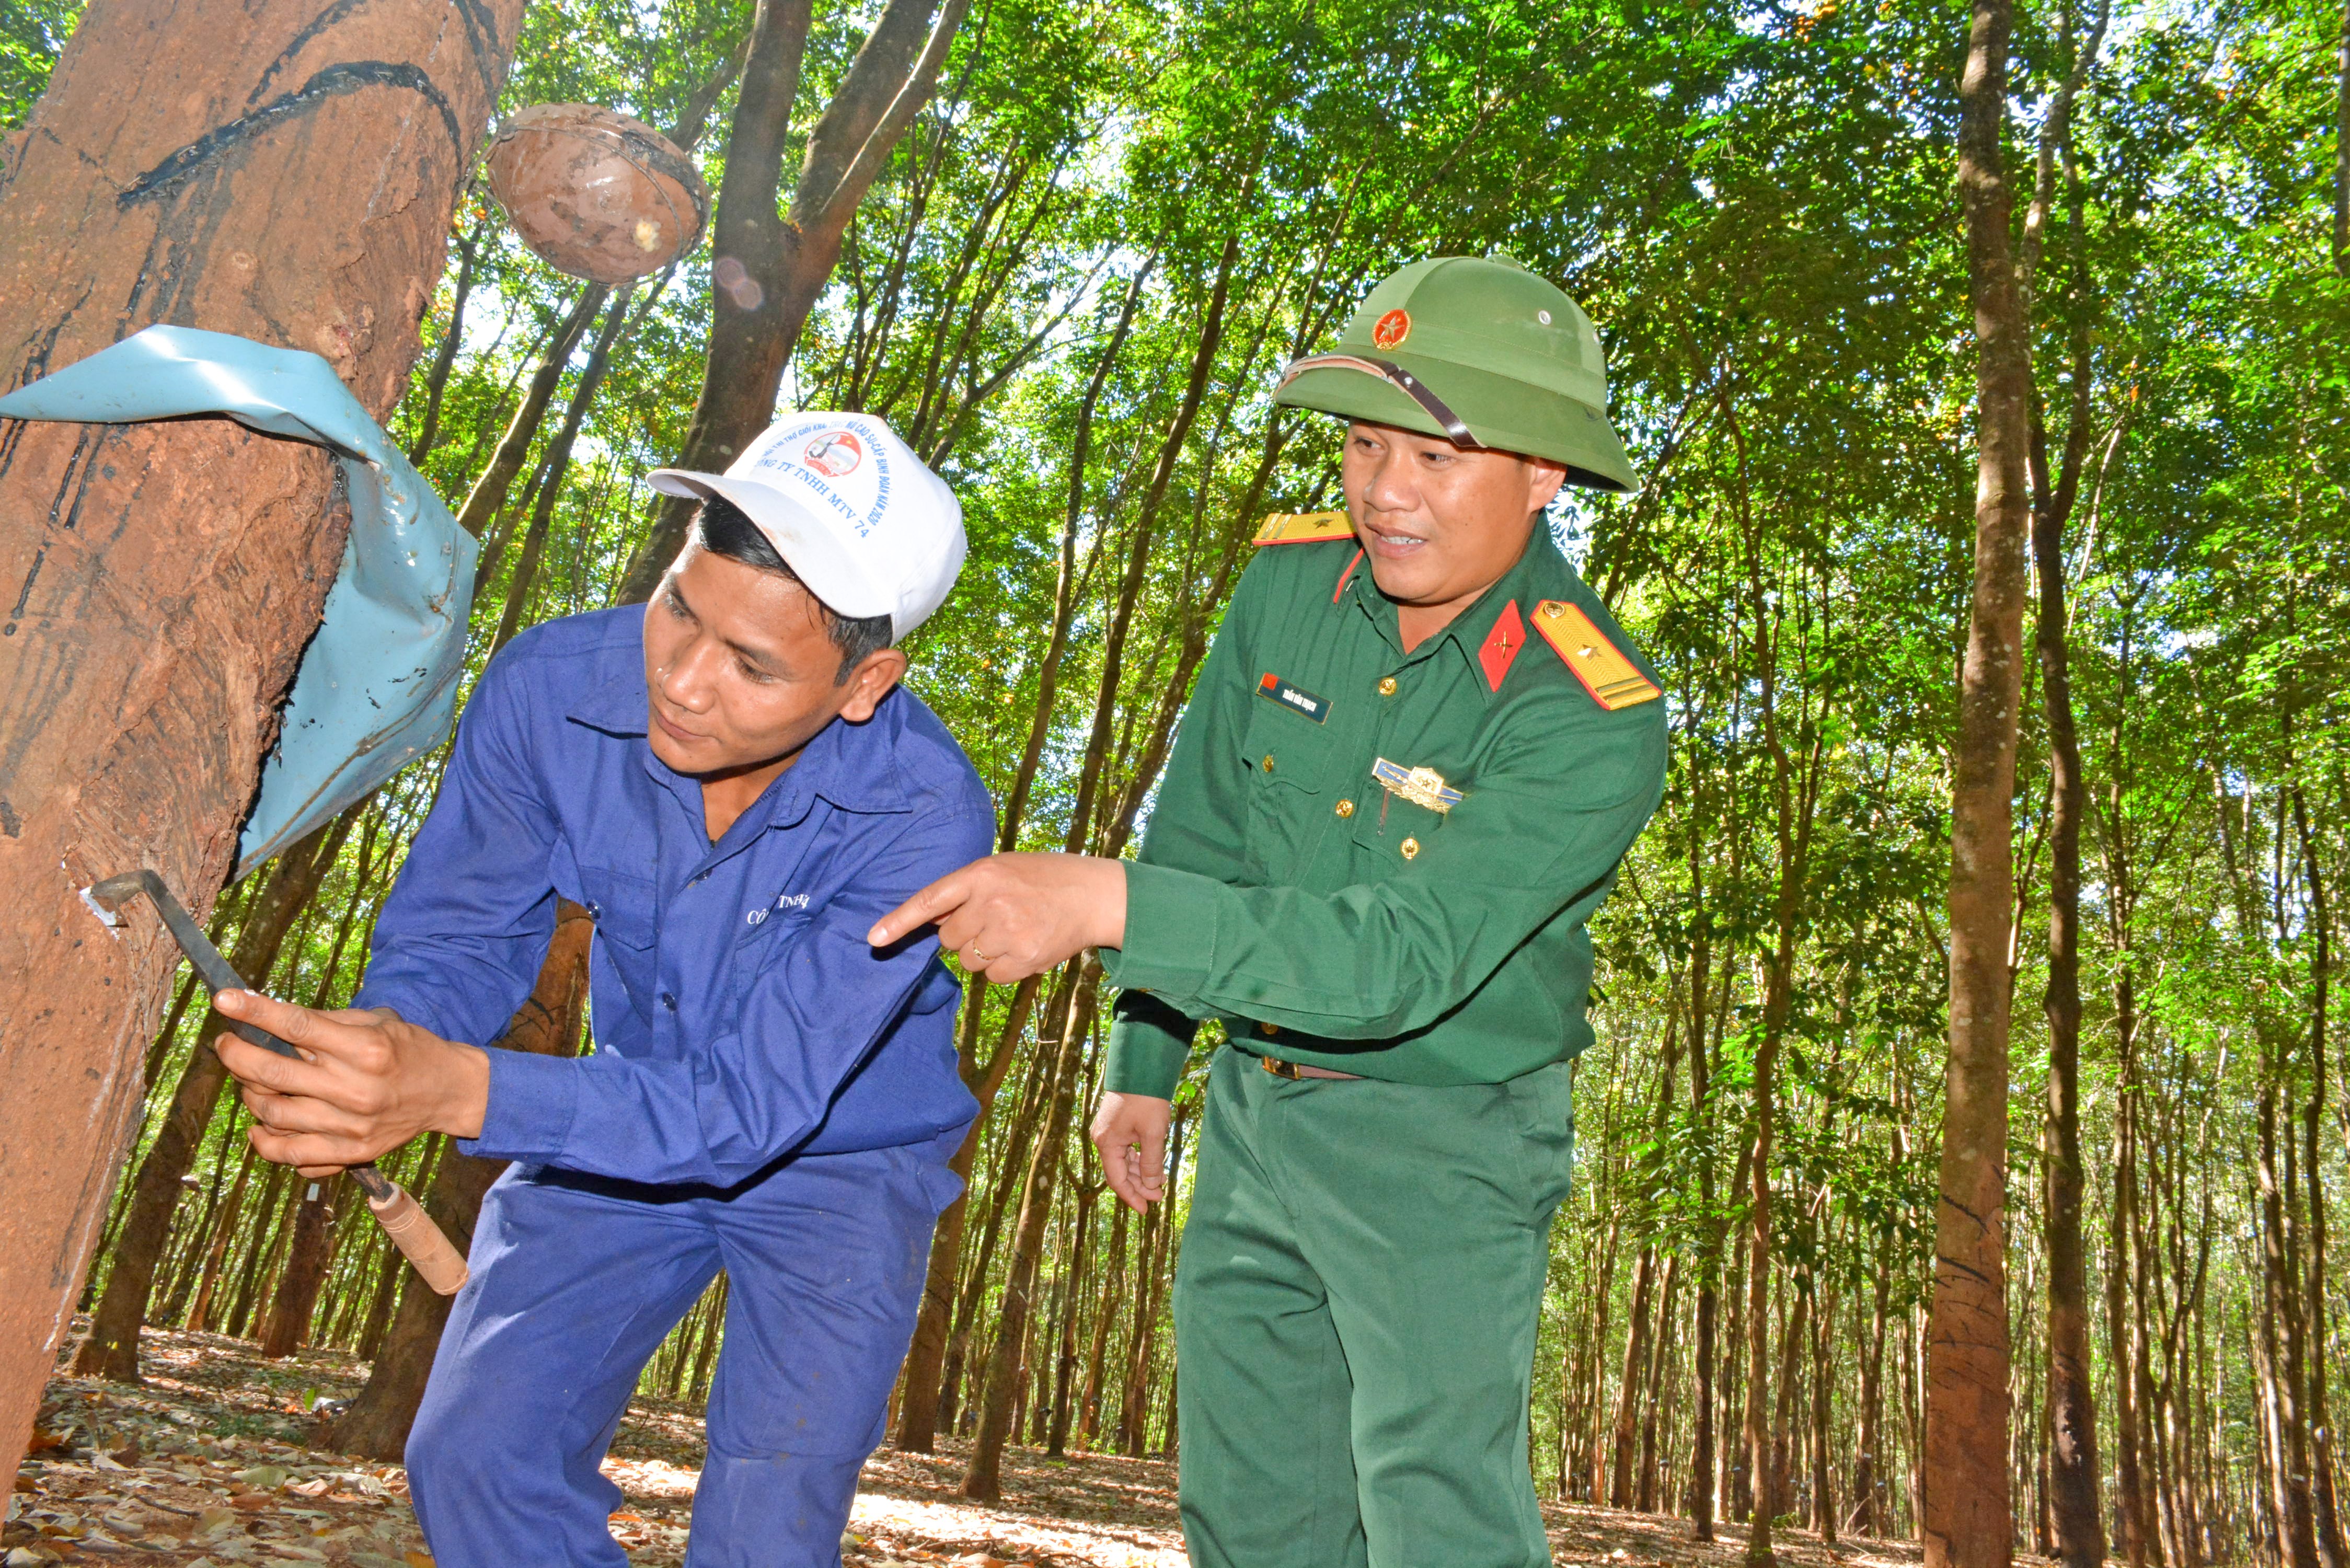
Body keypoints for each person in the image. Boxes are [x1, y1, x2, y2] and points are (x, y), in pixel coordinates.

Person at [868, 256, 1668, 1568]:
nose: (1383, 493)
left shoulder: (1588, 713)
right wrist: (1146, 1058)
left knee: (1433, 1507)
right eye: (1363, 444)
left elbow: (1396, 963)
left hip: (1445, 1138)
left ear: (1544, 475)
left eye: (1436, 459)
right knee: (1249, 1509)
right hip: (1252, 1111)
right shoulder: (1289, 585)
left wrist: (1101, 900)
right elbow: (1207, 827)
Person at [212, 413, 992, 1568]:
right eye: (680, 606)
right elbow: (464, 931)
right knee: (477, 1456)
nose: (679, 680)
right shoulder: (548, 692)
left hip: (842, 1160)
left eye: (753, 664)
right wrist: (378, 1063)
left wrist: (457, 1090)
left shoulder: (924, 815)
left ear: (864, 683)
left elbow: (747, 1110)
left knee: (767, 1526)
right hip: (623, 1120)